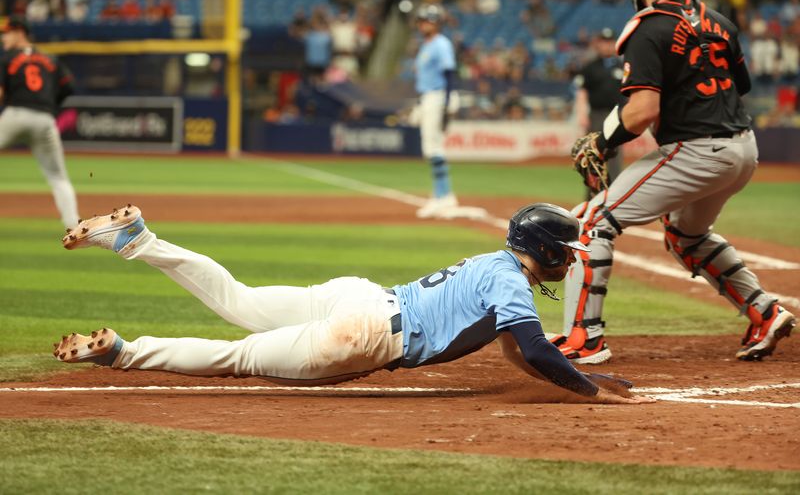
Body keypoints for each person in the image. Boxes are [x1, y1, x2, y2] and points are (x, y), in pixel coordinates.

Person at [53, 202, 653, 405]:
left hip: (362, 295)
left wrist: (564, 374)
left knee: (238, 299)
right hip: (366, 336)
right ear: (544, 248)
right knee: (235, 356)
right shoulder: (512, 287)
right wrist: (592, 389)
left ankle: (140, 242)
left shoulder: (491, 265)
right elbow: (535, 349)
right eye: (566, 251)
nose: (571, 259)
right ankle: (124, 354)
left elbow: (520, 355)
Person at [551, 0, 796, 364]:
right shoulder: (718, 21)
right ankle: (764, 312)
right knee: (687, 235)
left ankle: (584, 338)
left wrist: (602, 138)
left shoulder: (649, 27)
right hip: (744, 148)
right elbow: (741, 85)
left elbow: (643, 109)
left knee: (591, 223)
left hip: (697, 149)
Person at [0, 16, 79, 228]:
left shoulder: (7, 58)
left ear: (20, 32)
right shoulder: (50, 59)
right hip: (45, 119)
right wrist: (51, 105)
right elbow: (69, 87)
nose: (3, 37)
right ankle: (73, 227)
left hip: (16, 114)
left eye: (6, 32)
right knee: (58, 178)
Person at [412, 4, 474, 220]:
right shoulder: (426, 45)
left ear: (437, 22)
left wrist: (447, 101)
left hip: (438, 96)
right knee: (430, 147)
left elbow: (449, 73)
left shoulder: (440, 43)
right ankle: (440, 194)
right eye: (421, 20)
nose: (423, 24)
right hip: (428, 97)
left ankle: (444, 195)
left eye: (427, 20)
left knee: (434, 145)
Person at [573, 27, 625, 199]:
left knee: (615, 157)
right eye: (604, 42)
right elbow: (582, 92)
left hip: (616, 116)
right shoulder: (590, 67)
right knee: (593, 156)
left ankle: (614, 197)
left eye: (610, 42)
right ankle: (591, 197)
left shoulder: (622, 65)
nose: (607, 45)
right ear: (598, 44)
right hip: (596, 115)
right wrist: (582, 115)